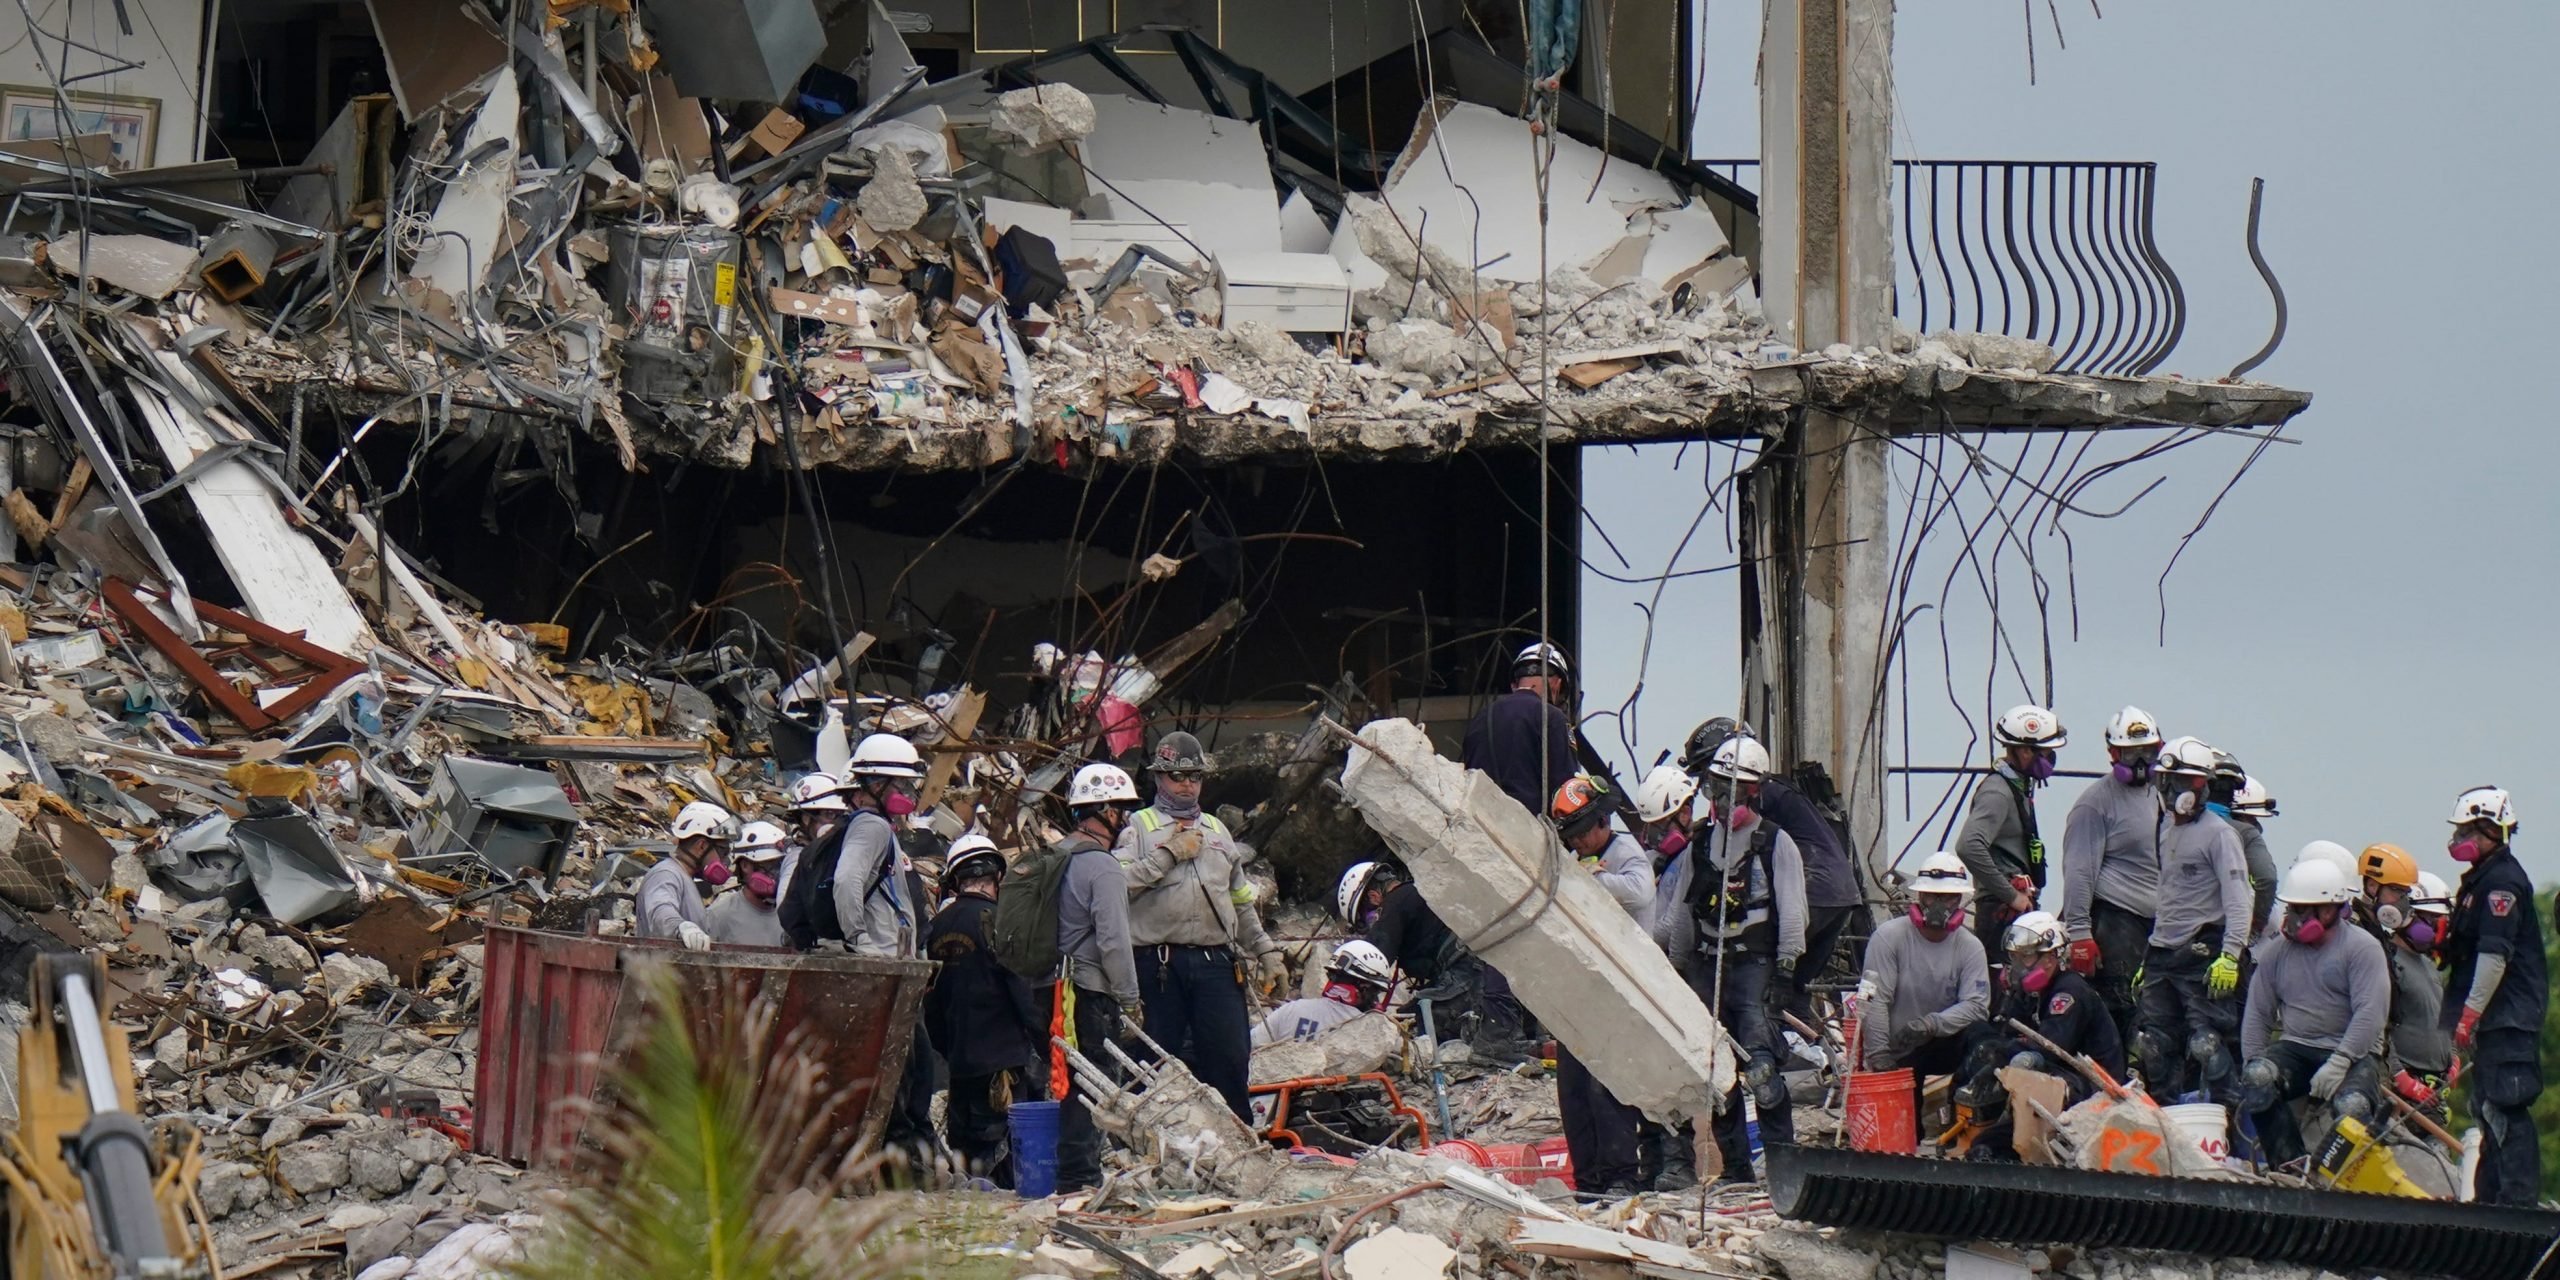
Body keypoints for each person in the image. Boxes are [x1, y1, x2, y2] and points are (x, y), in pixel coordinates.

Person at [1114, 731, 1287, 1121]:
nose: (1188, 784)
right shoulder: (1138, 828)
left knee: (1229, 1057)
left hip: (1216, 964)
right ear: (1159, 778)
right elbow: (1115, 886)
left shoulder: (1217, 831)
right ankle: (1142, 1142)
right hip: (1158, 965)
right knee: (1151, 1060)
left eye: (1194, 776)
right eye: (1178, 776)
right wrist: (1168, 855)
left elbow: (1240, 901)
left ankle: (1237, 1140)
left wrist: (1266, 951)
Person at [1683, 717, 1862, 1023]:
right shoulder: (1775, 790)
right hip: (1839, 896)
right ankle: (1809, 1058)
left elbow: (1737, 853)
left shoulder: (1760, 793)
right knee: (1791, 995)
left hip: (1812, 891)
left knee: (1755, 977)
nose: (1714, 794)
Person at [1686, 735, 1804, 1179]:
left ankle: (1783, 1168)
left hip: (1754, 966)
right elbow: (1682, 914)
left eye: (1732, 787)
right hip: (1706, 963)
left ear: (1754, 790)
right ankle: (1737, 1170)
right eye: (1717, 785)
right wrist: (1679, 969)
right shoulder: (1702, 843)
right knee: (1718, 1078)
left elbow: (1793, 914)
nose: (1721, 797)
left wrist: (1785, 976)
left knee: (1761, 1073)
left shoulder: (1776, 843)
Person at [2238, 858, 2389, 1168]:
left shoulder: (2363, 948)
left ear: (2331, 909)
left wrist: (2340, 1060)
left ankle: (2351, 1184)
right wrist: (2251, 1069)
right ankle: (2290, 1167)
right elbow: (2257, 1014)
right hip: (2299, 1047)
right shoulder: (2277, 953)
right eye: (2293, 908)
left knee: (2352, 1105)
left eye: (2304, 909)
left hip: (2353, 1054)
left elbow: (2370, 1013)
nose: (2294, 916)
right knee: (2258, 1076)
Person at [2438, 785, 2547, 1206]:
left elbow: (2494, 957)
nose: (2460, 838)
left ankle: (2516, 1208)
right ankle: (2489, 1203)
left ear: (2490, 830)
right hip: (2494, 1017)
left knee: (2507, 1106)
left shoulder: (2502, 882)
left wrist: (2469, 1014)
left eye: (2469, 830)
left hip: (2508, 1017)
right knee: (2487, 1111)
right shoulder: (2480, 880)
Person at [1550, 774, 1654, 1195]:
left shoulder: (1625, 853)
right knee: (1573, 1088)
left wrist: (1595, 879)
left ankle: (1621, 1176)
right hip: (1583, 986)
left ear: (1600, 823)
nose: (1577, 844)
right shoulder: (1580, 862)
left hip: (1621, 986)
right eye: (1570, 838)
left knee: (1606, 1086)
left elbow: (1641, 891)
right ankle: (1588, 1178)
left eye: (1580, 834)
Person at [2130, 736, 2251, 1101]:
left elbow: (2239, 898)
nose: (2179, 790)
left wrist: (2230, 954)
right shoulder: (2165, 828)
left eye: (2191, 782)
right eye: (2172, 781)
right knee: (2154, 1045)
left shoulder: (2219, 835)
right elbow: (2169, 895)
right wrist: (2150, 955)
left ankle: (2226, 1125)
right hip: (2163, 953)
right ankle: (2168, 1119)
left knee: (2206, 1045)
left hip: (2201, 952)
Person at [1952, 910, 2124, 1157]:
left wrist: (2004, 1054)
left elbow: (2050, 1049)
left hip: (2089, 1088)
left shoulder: (2069, 992)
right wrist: (1990, 1055)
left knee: (2020, 1063)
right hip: (2053, 1077)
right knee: (1978, 1035)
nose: (2019, 966)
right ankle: (1958, 1119)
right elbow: (2006, 1031)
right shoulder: (2031, 992)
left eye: (2026, 957)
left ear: (2051, 957)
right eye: (2015, 957)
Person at [923, 836, 1044, 1187]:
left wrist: (947, 1049)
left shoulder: (938, 928)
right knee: (1004, 1152)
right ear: (996, 878)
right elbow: (1021, 990)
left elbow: (932, 1000)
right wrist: (1044, 1042)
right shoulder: (1000, 921)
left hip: (960, 1060)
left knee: (967, 1147)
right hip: (1003, 1061)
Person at [1052, 763, 1147, 1193]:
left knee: (1061, 1077)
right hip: (1088, 992)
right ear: (1105, 811)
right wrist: (1129, 999)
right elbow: (1114, 940)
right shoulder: (1103, 867)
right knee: (1092, 1081)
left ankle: (1064, 1170)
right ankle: (1080, 1177)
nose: (1126, 820)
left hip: (1051, 987)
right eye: (1122, 811)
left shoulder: (1057, 857)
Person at [2061, 705, 2165, 1046]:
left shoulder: (2161, 794)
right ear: (2113, 753)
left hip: (2157, 924)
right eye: (2130, 753)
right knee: (2119, 1009)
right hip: (2116, 921)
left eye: (2147, 752)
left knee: (2156, 1011)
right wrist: (2079, 933)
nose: (2140, 761)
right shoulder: (2095, 804)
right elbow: (2078, 870)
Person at [1858, 853, 1992, 1107]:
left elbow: (1976, 1006)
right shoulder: (1889, 937)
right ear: (1920, 896)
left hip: (1944, 1044)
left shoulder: (1970, 947)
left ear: (1960, 900)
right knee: (1906, 1134)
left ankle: (1965, 1109)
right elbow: (1875, 1001)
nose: (1940, 905)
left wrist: (1930, 1025)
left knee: (1982, 1038)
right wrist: (1880, 1055)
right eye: (1932, 896)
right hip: (1901, 1050)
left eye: (1948, 898)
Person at [779, 735, 926, 955]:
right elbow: (846, 879)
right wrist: (859, 938)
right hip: (881, 954)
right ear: (877, 785)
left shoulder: (851, 827)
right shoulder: (873, 825)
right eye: (901, 784)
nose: (907, 792)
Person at [1955, 704, 2065, 960]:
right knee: (2001, 985)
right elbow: (1968, 845)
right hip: (2000, 913)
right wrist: (2010, 894)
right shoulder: (1998, 792)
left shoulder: (2017, 787)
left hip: (2015, 908)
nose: (2050, 759)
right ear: (2026, 751)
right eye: (2046, 752)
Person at [2352, 844, 2453, 1115]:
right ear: (2372, 886)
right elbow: (2380, 1024)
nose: (2401, 901)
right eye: (2397, 891)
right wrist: (2401, 1077)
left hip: (2432, 1087)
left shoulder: (2429, 966)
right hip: (2396, 1082)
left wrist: (2451, 1059)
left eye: (2404, 894)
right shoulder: (2377, 949)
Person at [1462, 641, 1579, 812]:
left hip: (1481, 826)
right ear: (1557, 684)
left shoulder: (1480, 719)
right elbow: (1565, 790)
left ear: (1514, 685)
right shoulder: (1552, 717)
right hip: (1528, 831)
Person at [1252, 941, 1395, 1047]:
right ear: (1365, 986)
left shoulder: (1292, 1010)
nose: (1375, 999)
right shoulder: (1372, 1030)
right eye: (1375, 991)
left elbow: (1253, 1044)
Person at [639, 801, 735, 950]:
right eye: (722, 851)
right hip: (659, 969)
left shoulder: (684, 877)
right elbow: (660, 910)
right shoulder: (666, 874)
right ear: (701, 846)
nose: (724, 861)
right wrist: (681, 927)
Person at [705, 820, 790, 947]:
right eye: (770, 864)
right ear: (745, 865)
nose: (778, 874)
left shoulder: (793, 914)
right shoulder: (720, 915)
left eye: (782, 864)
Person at [2228, 776, 2279, 936]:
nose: (2256, 827)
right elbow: (2267, 879)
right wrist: (2256, 925)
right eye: (2251, 819)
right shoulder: (2244, 835)